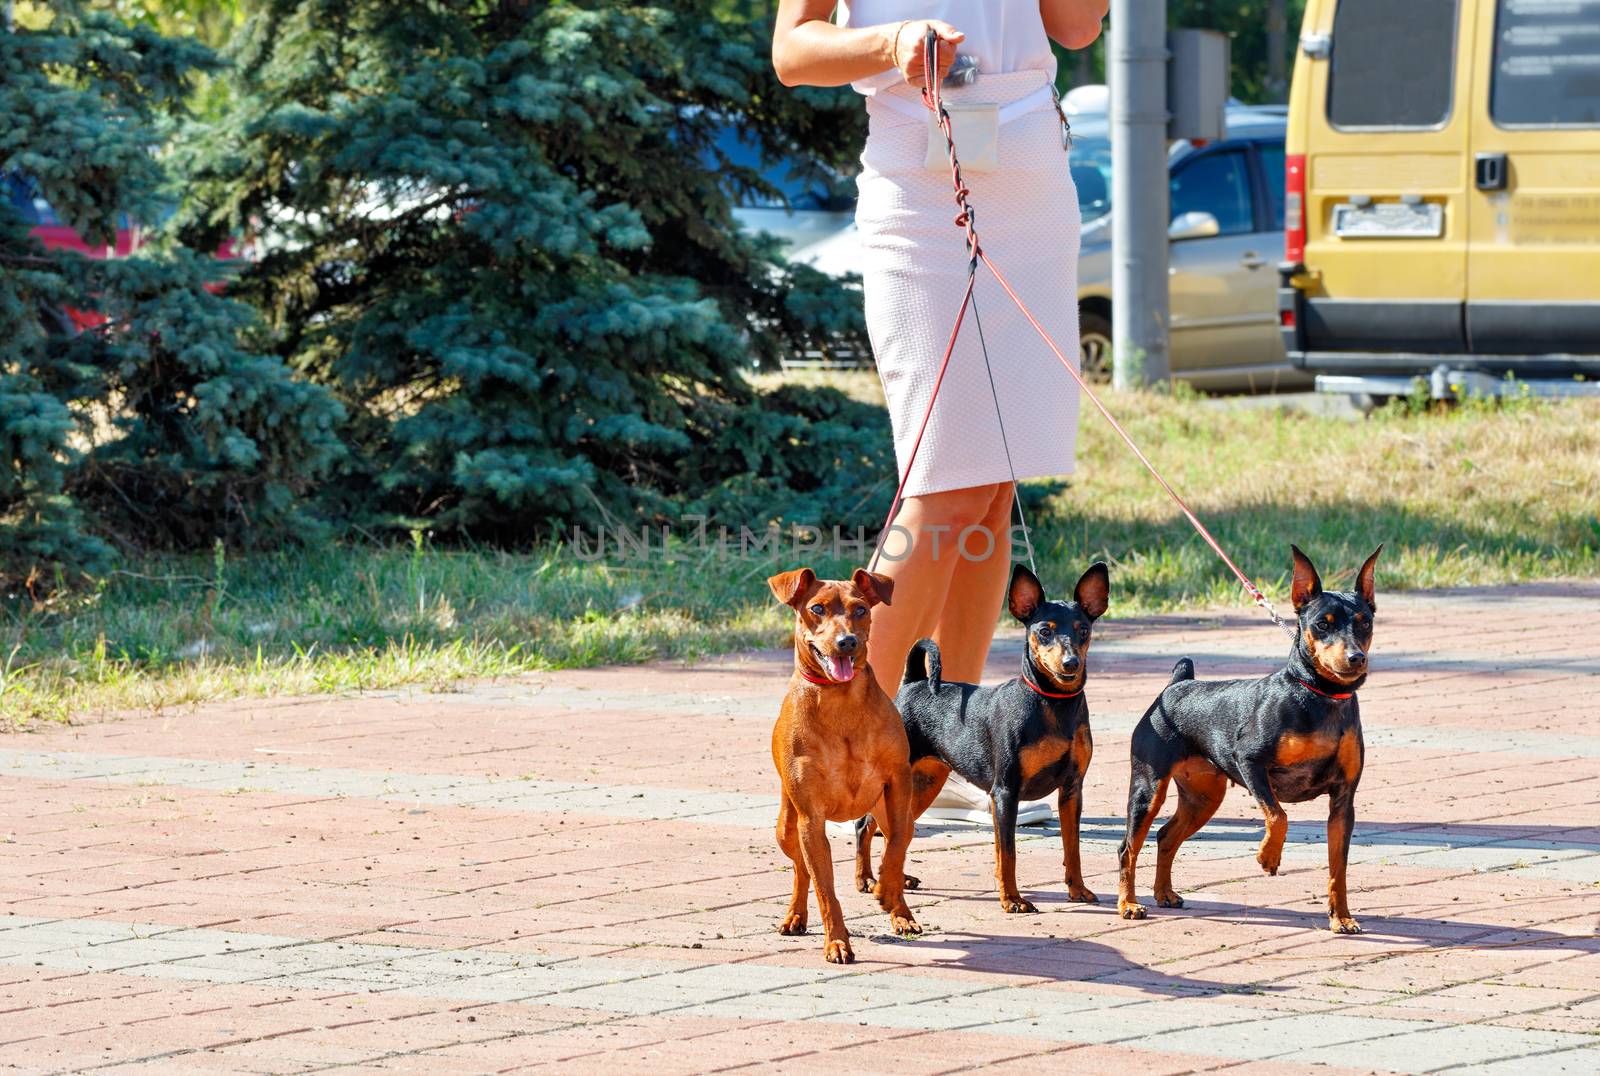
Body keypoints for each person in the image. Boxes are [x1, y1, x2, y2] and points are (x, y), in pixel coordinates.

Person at [772, 1, 1106, 819]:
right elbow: (793, 51)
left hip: (1027, 180)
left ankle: (952, 745)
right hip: (919, 188)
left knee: (991, 485)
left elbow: (1076, 26)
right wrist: (889, 42)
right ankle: (855, 742)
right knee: (945, 480)